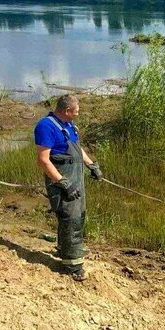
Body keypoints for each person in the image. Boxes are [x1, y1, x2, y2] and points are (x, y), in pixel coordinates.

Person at [34, 95, 102, 282]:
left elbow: (77, 148)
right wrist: (62, 182)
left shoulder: (69, 125)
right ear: (66, 111)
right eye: (76, 112)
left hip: (76, 177)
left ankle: (68, 249)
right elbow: (43, 159)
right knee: (69, 217)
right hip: (61, 178)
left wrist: (91, 165)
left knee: (79, 214)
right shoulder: (45, 127)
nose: (77, 115)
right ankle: (73, 264)